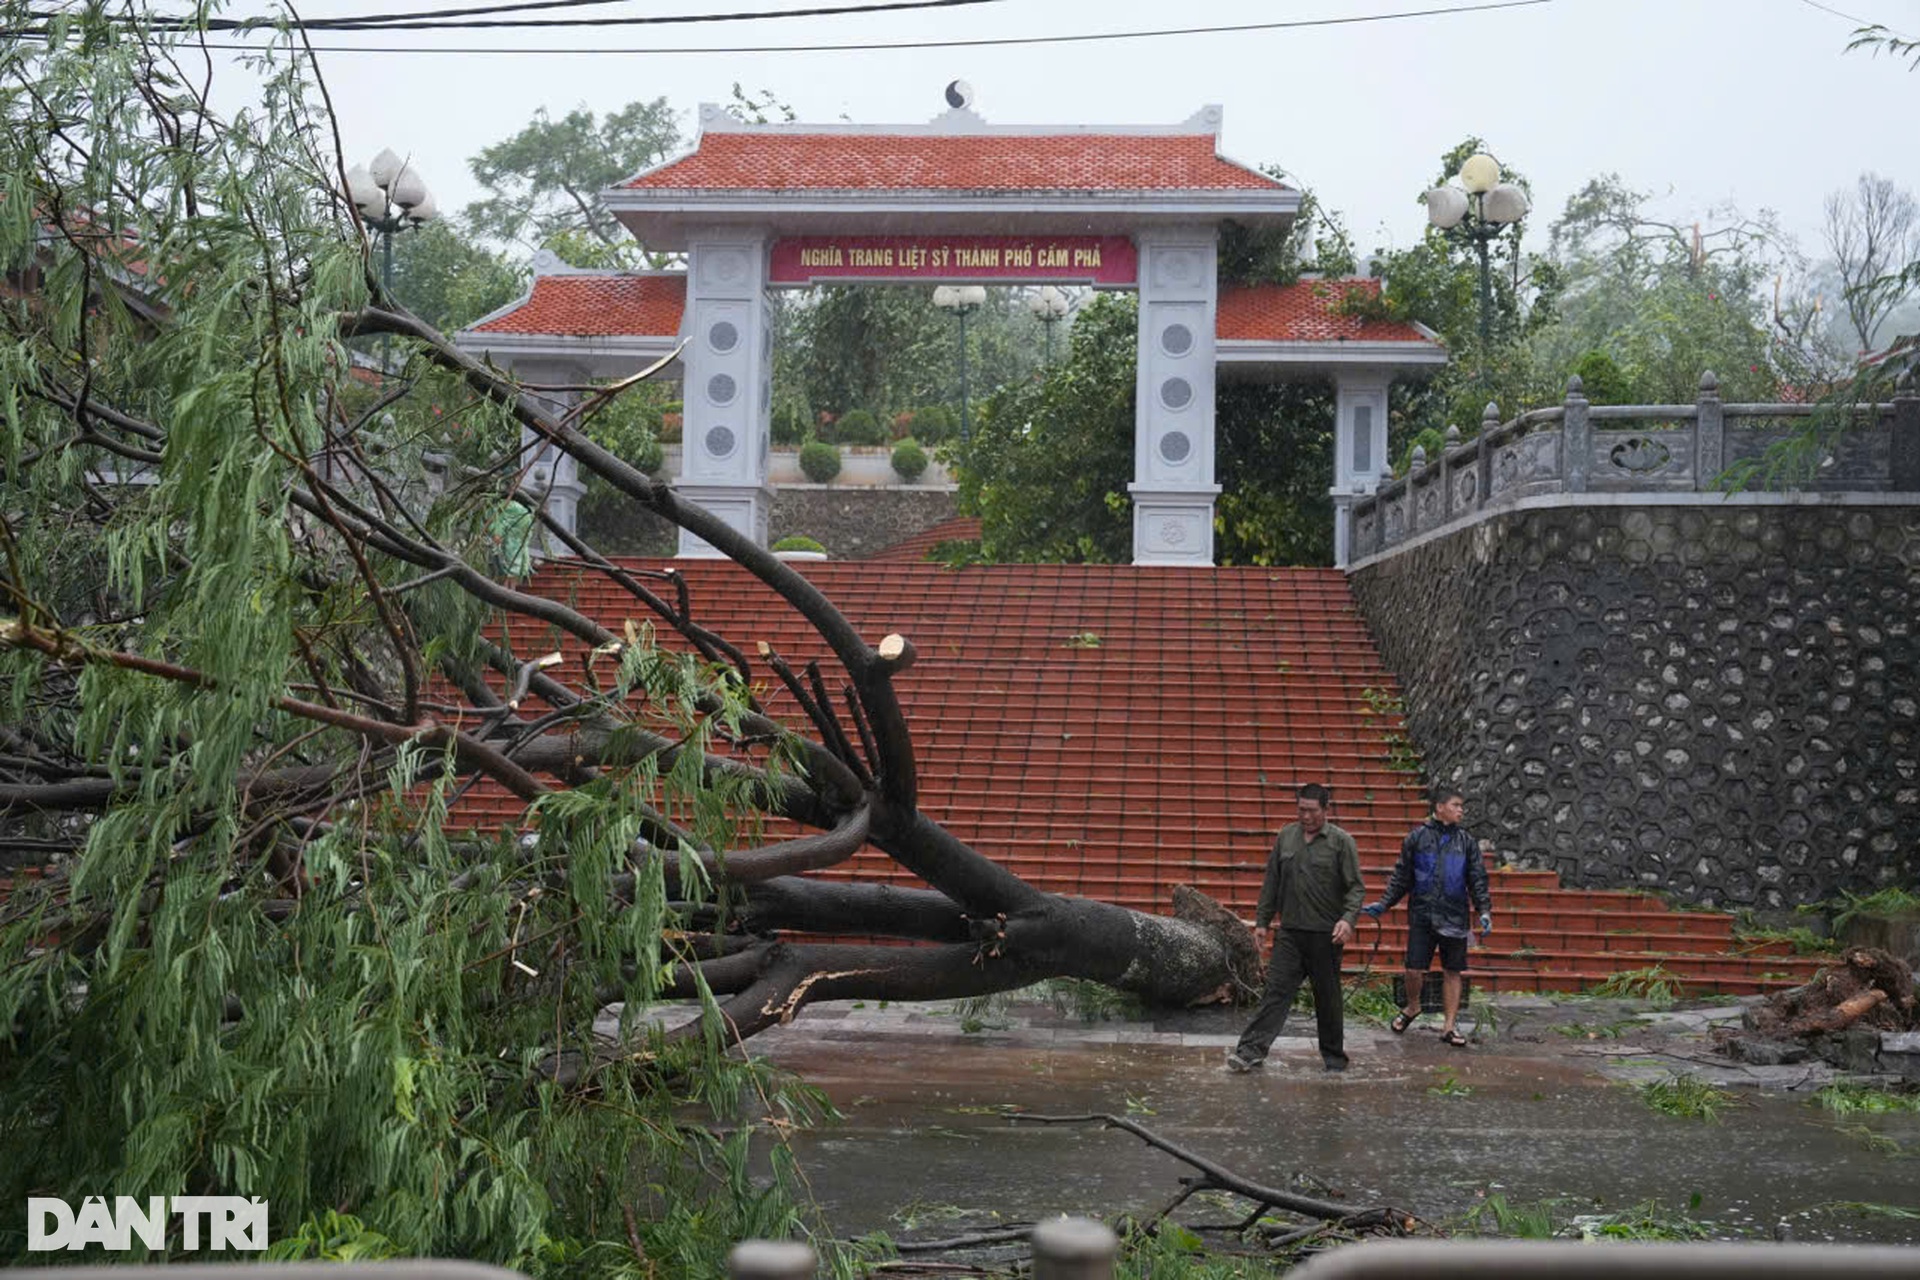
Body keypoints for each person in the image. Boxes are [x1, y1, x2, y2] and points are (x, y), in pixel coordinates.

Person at [1226, 783, 1365, 1073]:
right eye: (1301, 810)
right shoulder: (1286, 837)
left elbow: (1355, 889)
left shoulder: (1341, 842)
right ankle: (1249, 1051)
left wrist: (1347, 920)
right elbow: (1272, 882)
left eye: (1312, 811)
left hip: (1326, 935)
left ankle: (1334, 1059)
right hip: (1290, 933)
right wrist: (1262, 922)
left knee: (1327, 999)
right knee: (1275, 993)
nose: (1305, 816)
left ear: (1325, 810)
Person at [1362, 786, 1493, 1048]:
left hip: (1454, 916)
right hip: (1422, 913)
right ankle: (1413, 1006)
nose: (1460, 810)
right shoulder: (1417, 838)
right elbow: (1402, 877)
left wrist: (1484, 910)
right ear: (1440, 807)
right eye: (1456, 805)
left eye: (1461, 806)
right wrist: (1385, 903)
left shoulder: (1466, 842)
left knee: (1452, 970)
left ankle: (1448, 1025)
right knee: (1413, 968)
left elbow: (1477, 878)